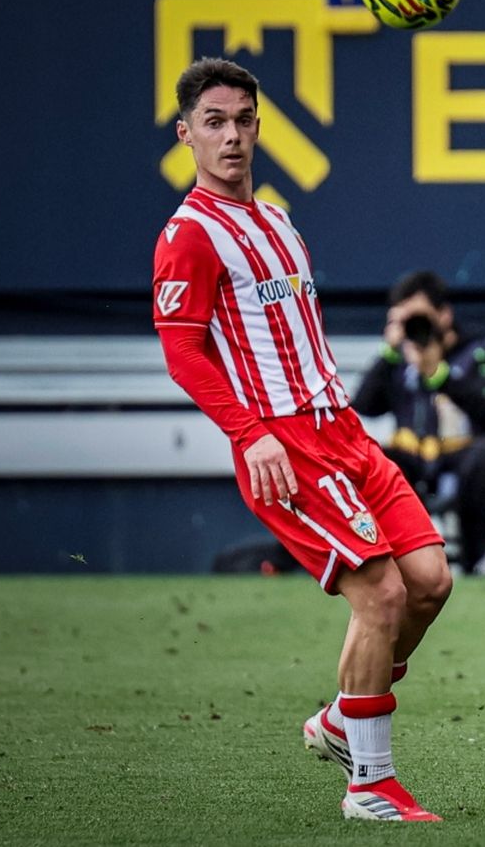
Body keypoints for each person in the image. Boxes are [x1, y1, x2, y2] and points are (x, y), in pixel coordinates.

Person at [151, 58, 448, 822]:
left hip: (342, 430)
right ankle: (370, 786)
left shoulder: (278, 220)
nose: (232, 136)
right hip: (283, 443)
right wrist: (250, 434)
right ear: (186, 134)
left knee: (429, 581)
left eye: (244, 120)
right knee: (379, 595)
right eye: (213, 122)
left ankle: (345, 718)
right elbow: (183, 349)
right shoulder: (188, 236)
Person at [355, 270, 485, 579]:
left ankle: (483, 556)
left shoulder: (480, 353)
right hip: (416, 457)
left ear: (443, 314)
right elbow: (364, 405)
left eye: (420, 317)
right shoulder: (400, 359)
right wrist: (389, 351)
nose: (415, 327)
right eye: (405, 320)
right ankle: (379, 557)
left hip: (466, 454)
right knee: (373, 460)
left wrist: (439, 375)